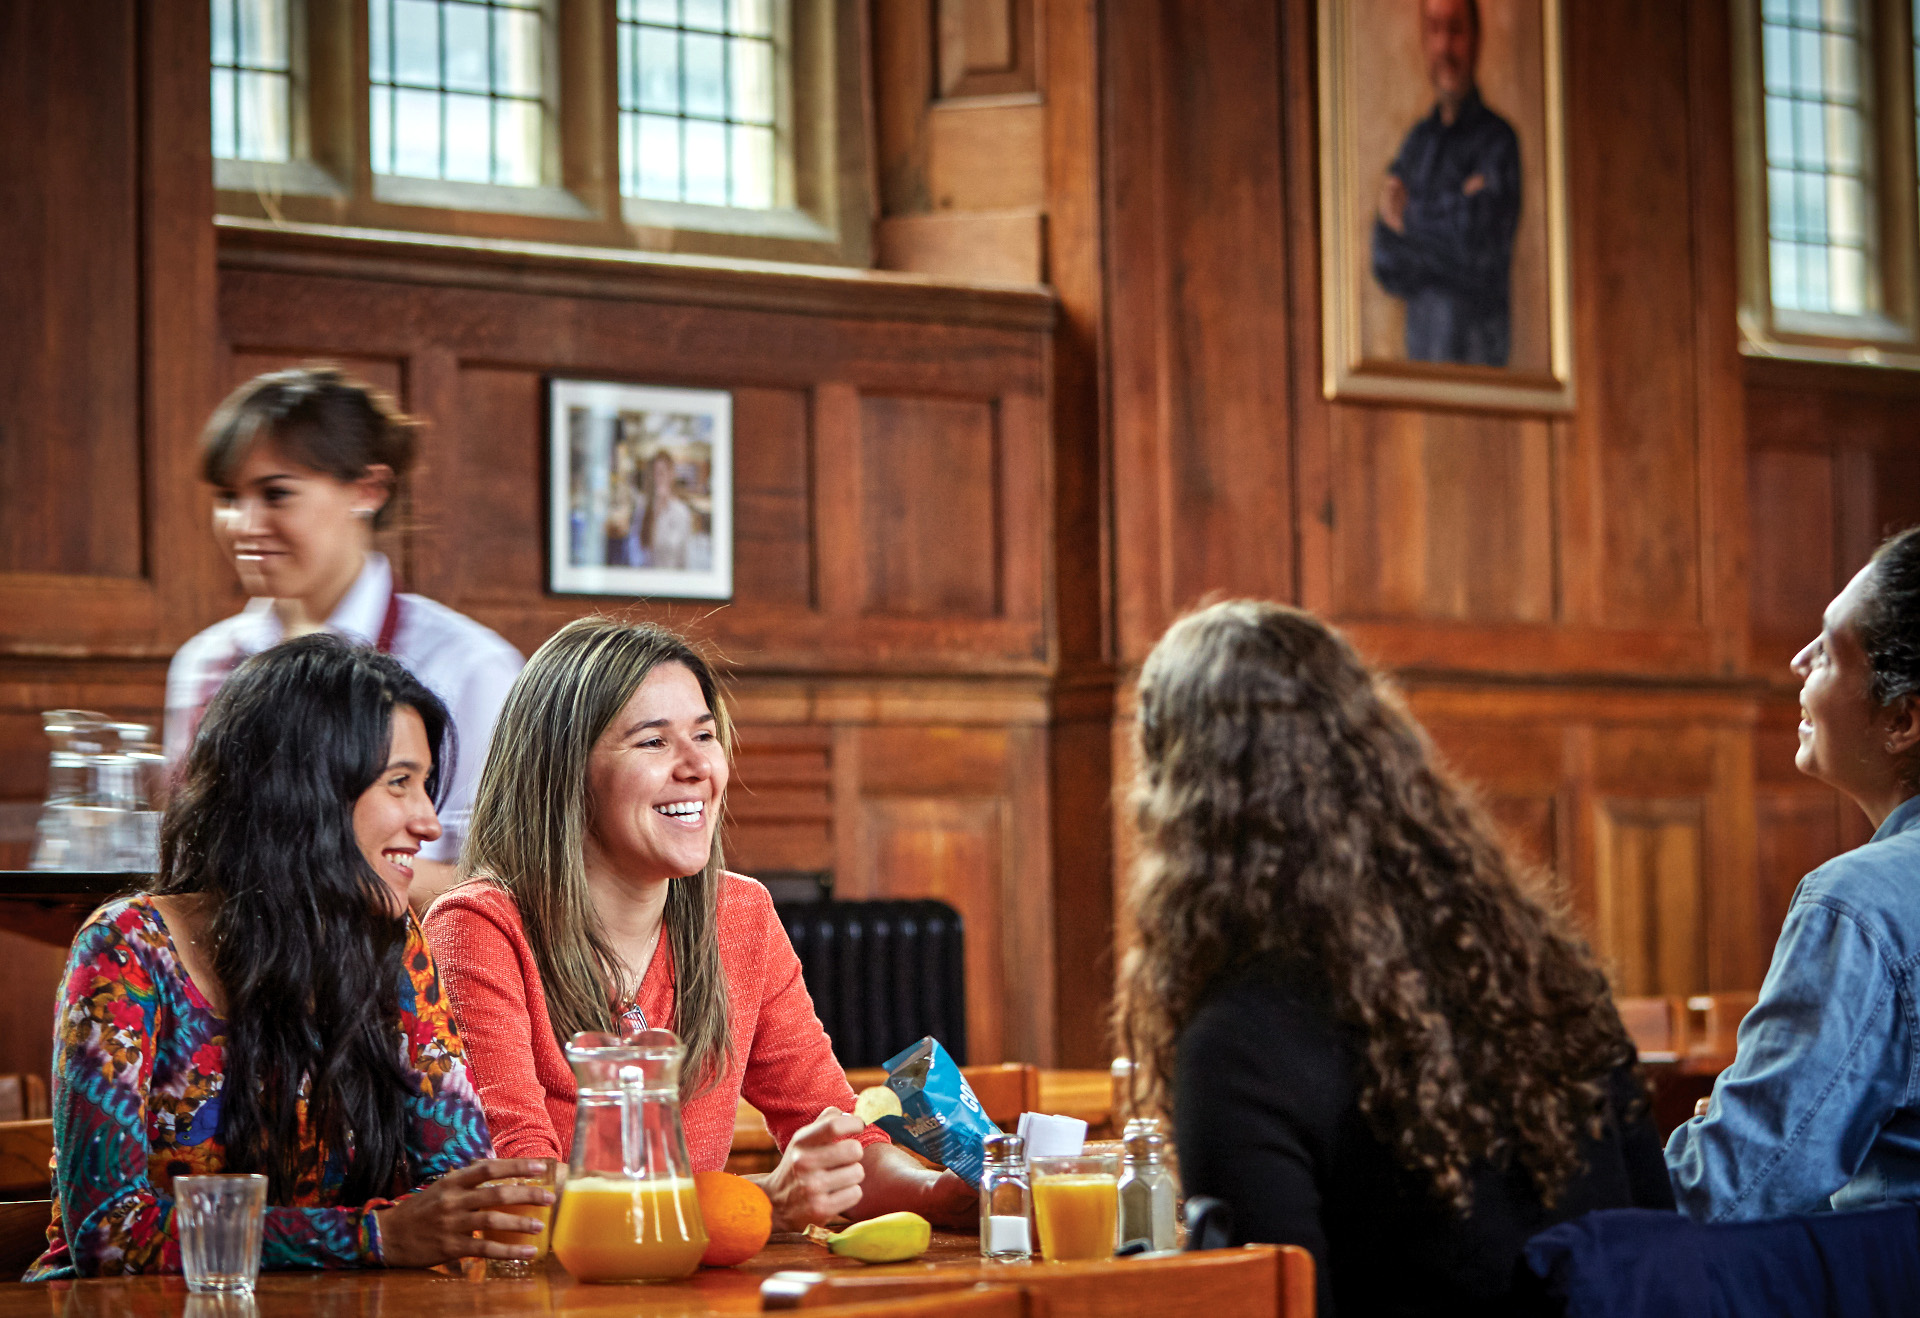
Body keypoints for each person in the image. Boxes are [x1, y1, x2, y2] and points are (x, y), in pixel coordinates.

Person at [1116, 601, 1673, 1316]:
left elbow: (1274, 1307)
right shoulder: (1542, 970)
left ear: (1176, 799)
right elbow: (1661, 1239)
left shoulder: (1241, 1041)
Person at [423, 618, 975, 1232]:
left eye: (705, 735)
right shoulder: (477, 927)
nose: (696, 765)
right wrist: (764, 1198)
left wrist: (937, 1194)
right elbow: (521, 1192)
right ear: (564, 773)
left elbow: (840, 1135)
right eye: (653, 742)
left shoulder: (738, 916)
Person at [26, 636, 551, 1279]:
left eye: (425, 786)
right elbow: (109, 1236)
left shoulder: (395, 948)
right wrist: (373, 1237)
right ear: (304, 794)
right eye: (399, 784)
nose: (429, 822)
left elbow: (462, 1195)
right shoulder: (126, 953)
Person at [164, 366, 524, 911]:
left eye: (276, 494)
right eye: (228, 497)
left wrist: (301, 866)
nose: (243, 523)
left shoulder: (470, 668)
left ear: (368, 490)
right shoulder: (207, 663)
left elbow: (503, 889)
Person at [1668, 528, 1920, 1220]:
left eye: (1830, 649)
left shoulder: (1860, 904)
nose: (1797, 660)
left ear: (1902, 719)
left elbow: (1732, 1188)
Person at [1371, 0, 1521, 367]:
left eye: (1455, 31)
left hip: (1479, 376)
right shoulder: (1417, 144)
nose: (1444, 47)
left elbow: (1480, 249)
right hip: (1420, 377)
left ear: (1476, 39)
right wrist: (1454, 211)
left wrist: (1410, 218)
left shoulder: (1497, 141)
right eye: (1434, 30)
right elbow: (1386, 259)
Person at [640, 449, 694, 570]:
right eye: (654, 474)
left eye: (661, 473)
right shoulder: (645, 509)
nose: (657, 479)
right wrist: (656, 513)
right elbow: (642, 552)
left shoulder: (681, 512)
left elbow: (684, 558)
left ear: (671, 475)